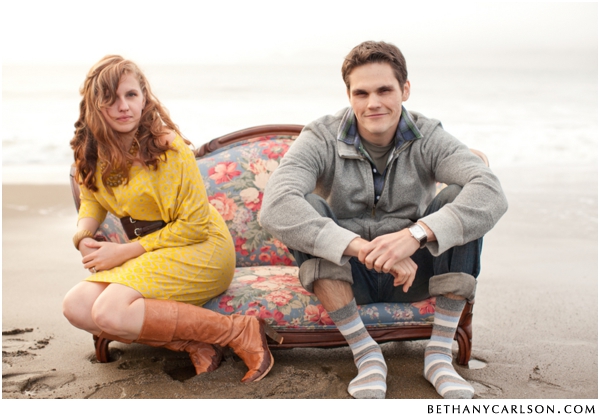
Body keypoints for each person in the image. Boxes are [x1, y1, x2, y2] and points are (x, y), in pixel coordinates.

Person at [260, 41, 508, 399]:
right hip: (348, 273)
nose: (372, 103)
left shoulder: (428, 136)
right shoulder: (321, 136)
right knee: (307, 205)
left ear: (404, 90)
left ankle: (439, 356)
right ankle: (366, 353)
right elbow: (276, 205)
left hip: (416, 273)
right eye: (361, 93)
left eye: (384, 90)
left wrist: (415, 235)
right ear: (349, 96)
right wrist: (362, 249)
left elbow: (490, 191)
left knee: (460, 197)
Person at [62, 55, 276, 383]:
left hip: (202, 248)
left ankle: (239, 331)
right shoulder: (92, 152)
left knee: (109, 311)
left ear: (144, 98)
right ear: (95, 104)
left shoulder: (168, 150)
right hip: (155, 252)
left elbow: (194, 226)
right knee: (76, 306)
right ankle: (195, 343)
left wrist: (124, 252)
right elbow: (91, 199)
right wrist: (83, 236)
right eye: (111, 98)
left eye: (131, 95)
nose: (123, 106)